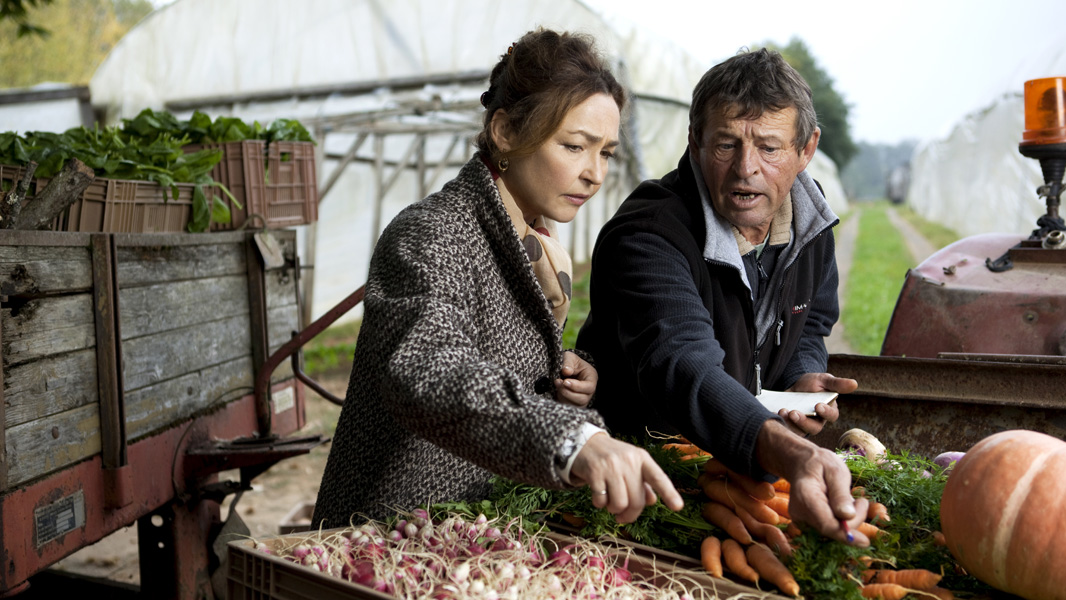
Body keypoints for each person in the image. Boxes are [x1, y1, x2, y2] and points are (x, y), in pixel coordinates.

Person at [312, 29, 683, 529]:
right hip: (394, 534)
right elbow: (429, 368)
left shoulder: (537, 243)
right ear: (505, 131)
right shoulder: (432, 233)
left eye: (606, 153)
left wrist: (569, 376)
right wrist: (571, 439)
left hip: (477, 527)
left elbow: (498, 360)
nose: (594, 173)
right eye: (575, 146)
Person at [576, 47, 868, 544]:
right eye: (726, 144)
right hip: (636, 487)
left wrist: (800, 372)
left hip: (739, 479)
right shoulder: (649, 235)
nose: (745, 169)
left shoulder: (812, 229)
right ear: (695, 142)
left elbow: (812, 320)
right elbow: (682, 365)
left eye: (770, 148)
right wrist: (791, 453)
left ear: (807, 148)